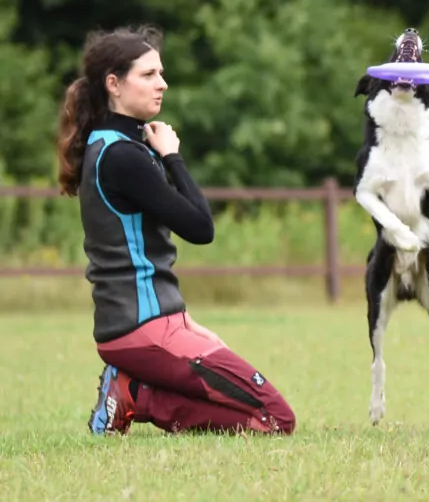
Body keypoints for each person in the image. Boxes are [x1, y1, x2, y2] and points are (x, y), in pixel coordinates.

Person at [56, 24, 296, 436]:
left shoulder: (110, 145)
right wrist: (173, 157)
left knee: (253, 408)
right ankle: (135, 393)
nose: (162, 84)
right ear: (113, 84)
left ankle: (133, 387)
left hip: (154, 322)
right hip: (144, 330)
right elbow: (200, 227)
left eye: (161, 73)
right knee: (276, 418)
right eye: (148, 75)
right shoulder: (123, 158)